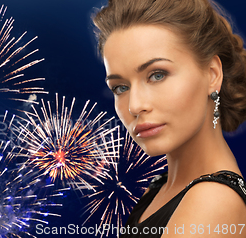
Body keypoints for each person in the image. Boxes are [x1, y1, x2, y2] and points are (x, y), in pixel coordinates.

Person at [92, 0, 246, 237]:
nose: (135, 106)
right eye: (120, 88)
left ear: (212, 74)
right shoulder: (158, 189)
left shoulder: (213, 201)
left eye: (157, 75)